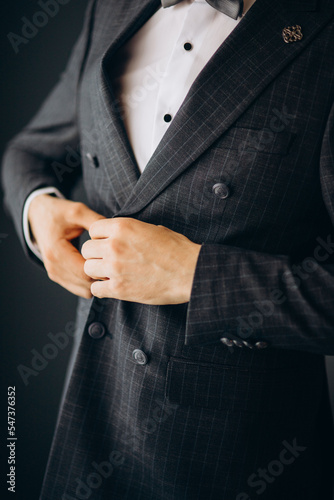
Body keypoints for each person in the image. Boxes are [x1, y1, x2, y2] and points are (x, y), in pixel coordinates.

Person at [2, 0, 334, 498]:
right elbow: (30, 150)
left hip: (235, 458)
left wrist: (195, 276)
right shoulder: (110, 8)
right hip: (86, 423)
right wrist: (38, 213)